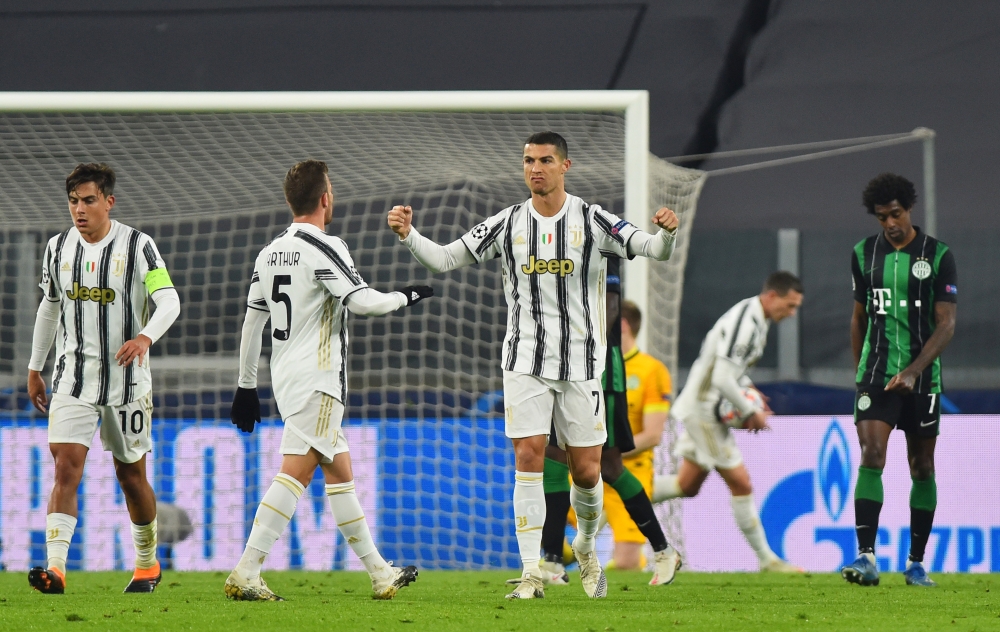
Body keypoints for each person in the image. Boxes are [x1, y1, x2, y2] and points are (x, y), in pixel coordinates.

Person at [388, 131, 679, 600]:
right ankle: (531, 572)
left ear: (566, 166)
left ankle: (584, 547)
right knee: (528, 456)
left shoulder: (593, 219)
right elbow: (444, 260)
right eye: (528, 161)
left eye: (545, 160)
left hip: (584, 366)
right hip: (524, 360)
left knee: (587, 472)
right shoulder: (507, 224)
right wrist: (409, 236)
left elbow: (652, 250)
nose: (534, 168)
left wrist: (666, 232)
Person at [226, 160, 434, 601]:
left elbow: (251, 324)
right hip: (319, 380)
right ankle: (247, 569)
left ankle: (380, 573)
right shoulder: (325, 245)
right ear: (325, 198)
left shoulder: (269, 252)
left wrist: (246, 386)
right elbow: (361, 303)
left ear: (289, 200)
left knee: (340, 471)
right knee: (295, 474)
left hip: (286, 379)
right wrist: (404, 296)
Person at [27, 163, 181, 594]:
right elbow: (50, 307)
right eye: (74, 201)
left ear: (108, 202)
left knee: (131, 477)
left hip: (127, 383)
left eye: (89, 200)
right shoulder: (57, 248)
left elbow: (169, 302)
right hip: (73, 379)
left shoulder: (138, 247)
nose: (80, 209)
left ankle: (147, 565)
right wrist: (35, 368)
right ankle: (56, 569)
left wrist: (145, 337)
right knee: (65, 468)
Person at [841, 173, 956, 588]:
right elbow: (857, 319)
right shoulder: (862, 254)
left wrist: (913, 371)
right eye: (881, 217)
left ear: (909, 209)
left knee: (921, 466)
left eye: (896, 214)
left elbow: (947, 325)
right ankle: (866, 557)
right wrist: (864, 374)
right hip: (876, 377)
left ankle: (915, 563)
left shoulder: (938, 254)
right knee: (872, 455)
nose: (890, 223)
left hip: (923, 380)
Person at [536, 267, 680, 588]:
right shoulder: (557, 241)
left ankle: (663, 550)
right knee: (553, 455)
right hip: (564, 367)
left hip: (600, 372)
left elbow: (610, 309)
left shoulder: (601, 241)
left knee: (611, 466)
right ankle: (553, 562)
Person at [652, 272, 804, 573]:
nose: (792, 313)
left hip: (706, 409)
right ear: (772, 296)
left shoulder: (755, 319)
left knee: (687, 484)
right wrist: (751, 409)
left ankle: (620, 497)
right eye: (789, 305)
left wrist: (749, 388)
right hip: (704, 413)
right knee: (741, 482)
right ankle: (767, 559)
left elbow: (729, 371)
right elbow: (721, 378)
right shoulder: (746, 324)